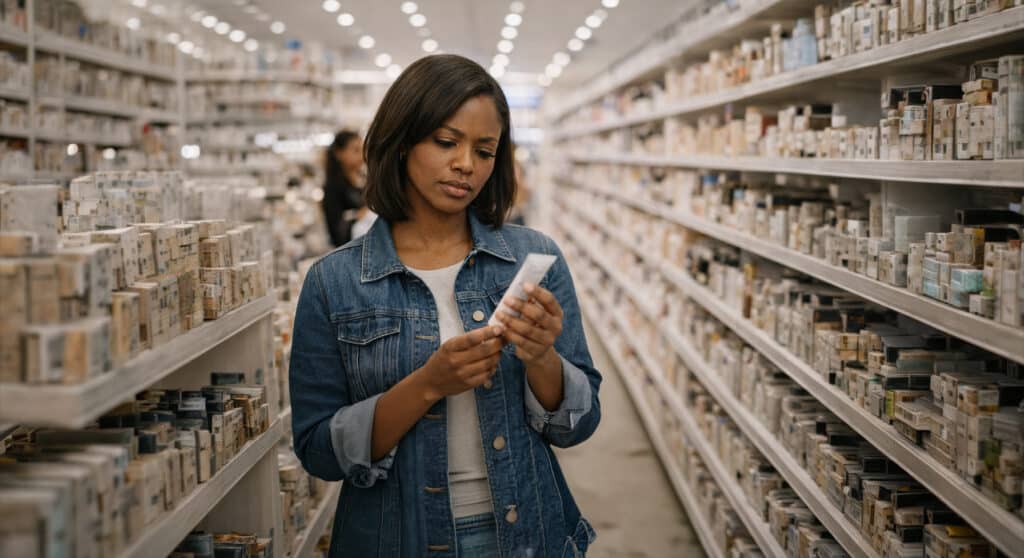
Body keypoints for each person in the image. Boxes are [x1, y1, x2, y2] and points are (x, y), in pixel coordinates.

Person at [289, 54, 601, 557]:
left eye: (485, 150)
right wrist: (429, 384)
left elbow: (578, 426)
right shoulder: (335, 281)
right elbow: (319, 450)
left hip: (527, 533)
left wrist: (543, 357)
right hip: (398, 537)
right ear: (401, 140)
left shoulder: (533, 260)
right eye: (446, 142)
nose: (466, 165)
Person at [320, 130, 367, 247]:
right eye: (355, 150)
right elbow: (335, 228)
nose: (361, 155)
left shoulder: (365, 180)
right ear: (339, 153)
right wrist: (359, 215)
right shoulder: (333, 187)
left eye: (362, 149)